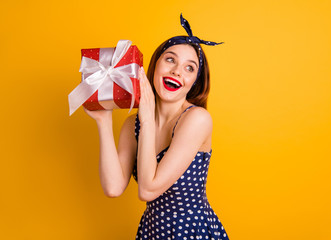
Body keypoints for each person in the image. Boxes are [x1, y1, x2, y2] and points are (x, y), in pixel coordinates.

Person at [85, 14, 229, 240]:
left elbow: (147, 190)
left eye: (189, 68)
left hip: (192, 233)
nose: (177, 71)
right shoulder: (133, 124)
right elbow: (113, 188)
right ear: (154, 65)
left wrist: (148, 121)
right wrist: (103, 120)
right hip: (152, 232)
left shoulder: (197, 119)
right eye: (170, 60)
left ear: (194, 82)